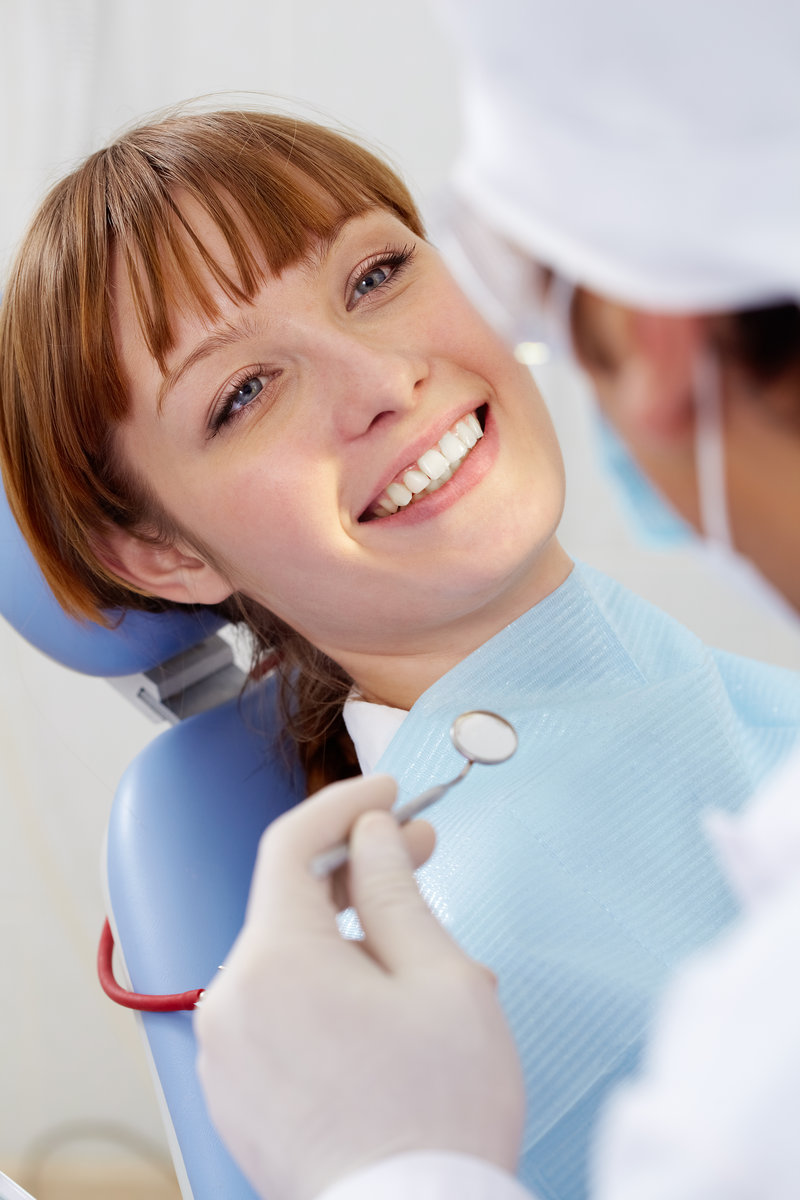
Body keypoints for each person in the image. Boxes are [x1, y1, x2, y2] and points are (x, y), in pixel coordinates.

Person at [1, 106, 799, 1200]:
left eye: (373, 275)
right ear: (161, 554)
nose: (380, 382)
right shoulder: (433, 993)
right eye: (242, 394)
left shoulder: (752, 710)